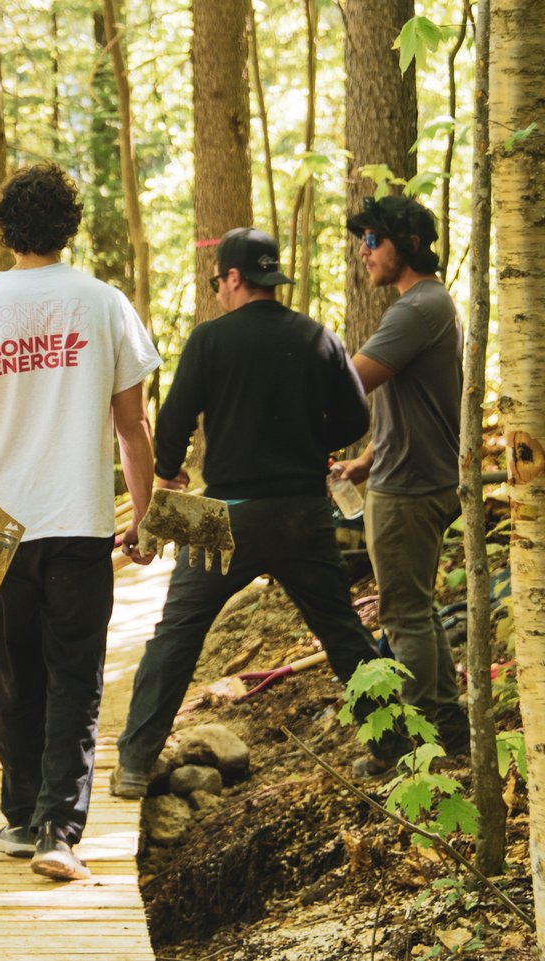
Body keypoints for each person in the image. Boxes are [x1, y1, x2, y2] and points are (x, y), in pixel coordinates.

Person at [0, 162, 160, 881]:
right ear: (69, 225)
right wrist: (145, 515)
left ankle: (22, 820)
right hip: (79, 522)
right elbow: (132, 425)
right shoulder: (103, 304)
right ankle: (58, 827)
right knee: (74, 678)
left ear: (7, 228)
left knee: (14, 674)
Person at [111, 227, 409, 798]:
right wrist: (307, 440)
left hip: (223, 514)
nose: (217, 291)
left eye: (217, 281)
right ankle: (393, 746)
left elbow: (171, 422)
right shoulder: (317, 336)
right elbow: (354, 422)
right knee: (342, 633)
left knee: (176, 636)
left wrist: (168, 471)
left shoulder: (209, 341)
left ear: (233, 278)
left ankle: (133, 763)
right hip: (301, 511)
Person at [335, 196, 469, 772]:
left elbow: (350, 382)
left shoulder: (417, 309)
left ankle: (420, 744)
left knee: (404, 615)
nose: (363, 252)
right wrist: (368, 458)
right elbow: (415, 403)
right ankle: (446, 720)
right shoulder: (428, 306)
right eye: (361, 240)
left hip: (411, 489)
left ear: (407, 244)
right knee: (417, 609)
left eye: (373, 240)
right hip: (412, 474)